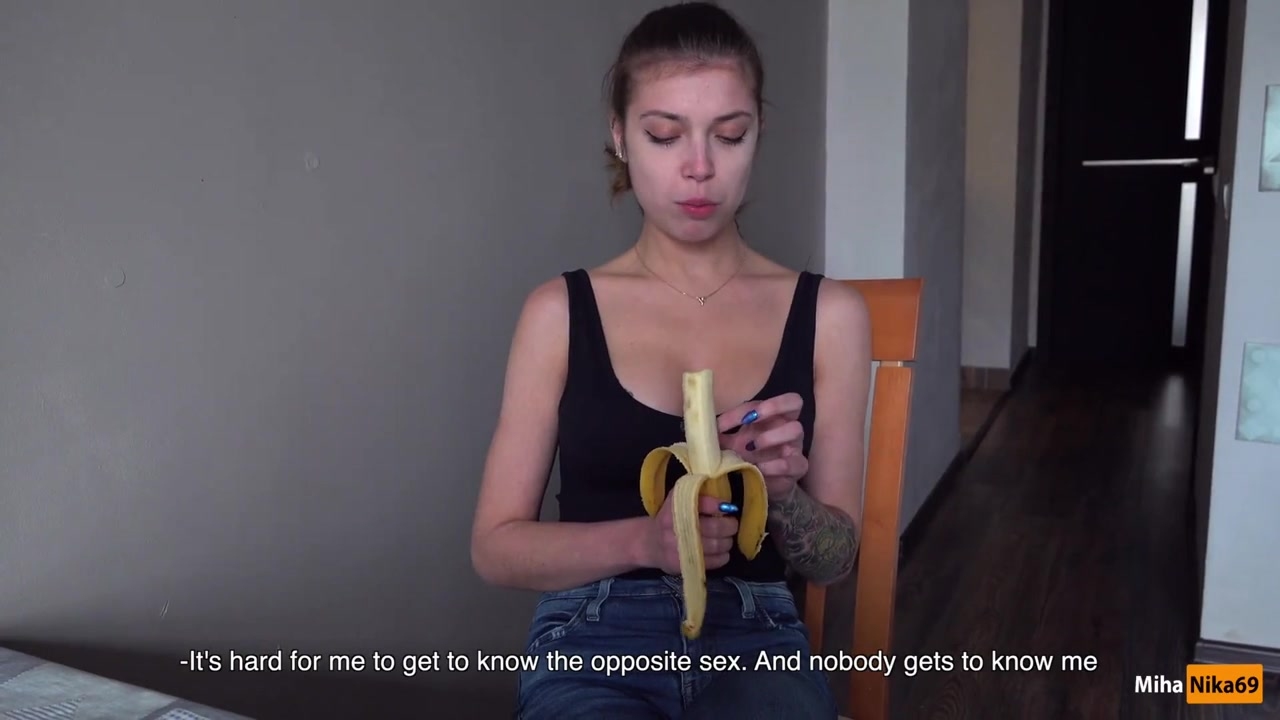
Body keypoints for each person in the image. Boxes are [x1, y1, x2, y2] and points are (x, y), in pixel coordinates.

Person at [470, 3, 871, 717]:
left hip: (756, 633)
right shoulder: (558, 313)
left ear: (758, 132)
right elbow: (495, 549)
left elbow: (835, 562)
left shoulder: (831, 315)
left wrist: (782, 493)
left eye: (730, 134)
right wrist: (647, 540)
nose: (699, 167)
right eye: (663, 134)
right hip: (593, 634)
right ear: (620, 137)